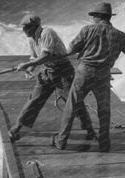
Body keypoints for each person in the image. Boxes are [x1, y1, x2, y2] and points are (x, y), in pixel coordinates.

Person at [52, 2, 125, 152]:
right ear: (108, 17)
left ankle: (61, 141)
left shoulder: (87, 30)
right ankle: (104, 144)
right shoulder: (119, 35)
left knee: (71, 107)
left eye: (93, 16)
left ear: (98, 17)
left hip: (84, 72)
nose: (92, 19)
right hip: (103, 74)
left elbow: (70, 50)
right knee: (104, 110)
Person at [7, 14, 96, 142]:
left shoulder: (47, 33)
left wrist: (28, 64)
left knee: (73, 103)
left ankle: (90, 130)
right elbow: (34, 57)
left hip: (63, 71)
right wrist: (29, 69)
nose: (23, 31)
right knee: (34, 100)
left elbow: (45, 56)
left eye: (25, 28)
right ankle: (16, 129)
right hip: (46, 71)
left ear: (34, 27)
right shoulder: (32, 39)